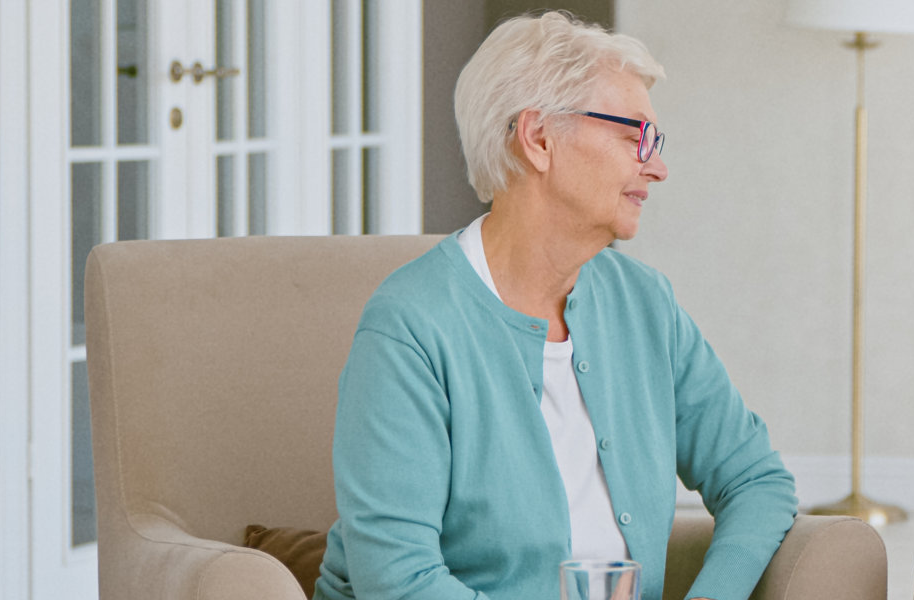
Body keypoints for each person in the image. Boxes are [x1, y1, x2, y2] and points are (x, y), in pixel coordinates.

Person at [313, 12, 796, 600]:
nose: (658, 166)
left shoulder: (644, 304)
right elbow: (399, 580)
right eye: (633, 136)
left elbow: (755, 480)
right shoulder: (410, 328)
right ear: (538, 139)